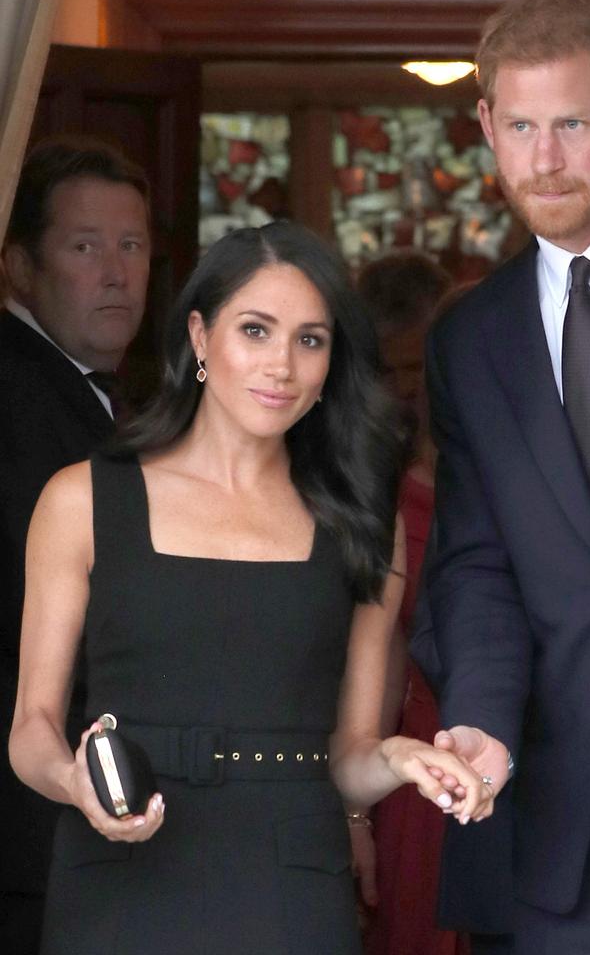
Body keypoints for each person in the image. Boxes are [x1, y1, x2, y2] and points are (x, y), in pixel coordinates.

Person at [9, 222, 493, 955]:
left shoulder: (361, 518)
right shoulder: (81, 501)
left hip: (291, 878)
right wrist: (75, 783)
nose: (282, 366)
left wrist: (397, 758)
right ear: (200, 337)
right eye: (256, 330)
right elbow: (30, 730)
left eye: (310, 340)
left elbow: (349, 759)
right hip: (119, 866)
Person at [411, 0, 590, 954]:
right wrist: (477, 718)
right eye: (517, 125)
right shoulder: (468, 337)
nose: (541, 159)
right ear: (483, 125)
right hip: (552, 818)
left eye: (569, 124)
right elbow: (472, 564)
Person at [0, 136, 151, 953]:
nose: (117, 272)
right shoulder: (17, 392)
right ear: (20, 267)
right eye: (85, 246)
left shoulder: (98, 397)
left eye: (131, 245)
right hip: (27, 811)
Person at [352, 250, 468, 955]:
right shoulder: (378, 495)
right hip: (414, 775)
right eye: (388, 372)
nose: (403, 390)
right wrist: (356, 818)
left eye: (415, 371)